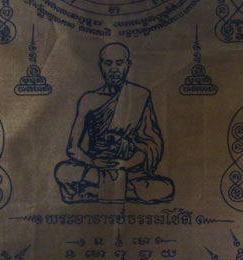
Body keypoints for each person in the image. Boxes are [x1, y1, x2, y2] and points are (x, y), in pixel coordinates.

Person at [54, 42, 175, 204]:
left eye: (119, 63)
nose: (113, 69)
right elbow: (73, 147)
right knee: (63, 171)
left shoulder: (140, 96)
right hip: (95, 167)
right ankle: (122, 191)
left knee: (166, 188)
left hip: (129, 169)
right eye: (108, 63)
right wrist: (93, 162)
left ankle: (90, 191)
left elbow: (151, 144)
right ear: (101, 66)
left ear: (128, 65)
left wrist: (127, 163)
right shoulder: (88, 100)